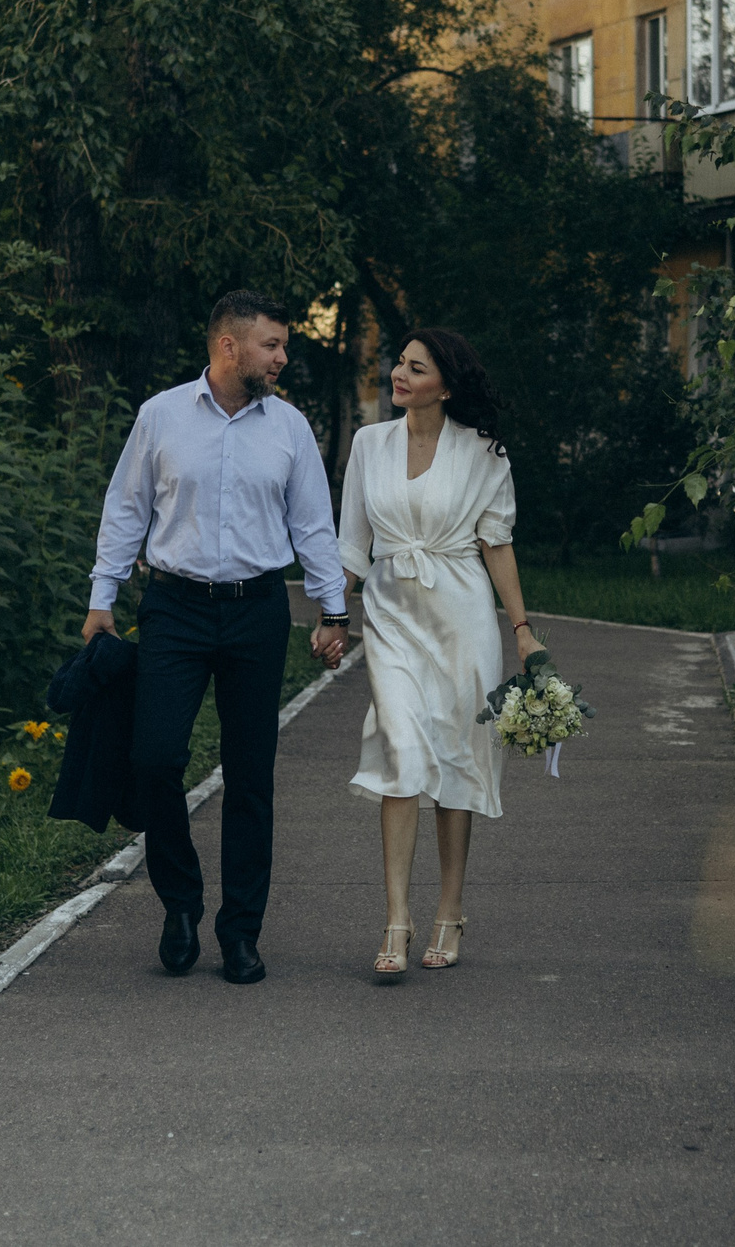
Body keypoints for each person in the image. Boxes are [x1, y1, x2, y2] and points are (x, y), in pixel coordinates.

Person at [83, 291, 350, 986]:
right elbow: (126, 508)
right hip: (174, 607)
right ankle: (180, 905)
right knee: (154, 759)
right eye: (272, 345)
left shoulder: (289, 427)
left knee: (251, 775)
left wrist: (333, 610)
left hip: (256, 610)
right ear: (229, 347)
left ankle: (240, 932)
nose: (283, 357)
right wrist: (101, 598)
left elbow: (314, 524)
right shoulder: (162, 416)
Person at [337, 328, 544, 975]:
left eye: (415, 366)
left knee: (457, 753)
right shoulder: (369, 444)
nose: (398, 372)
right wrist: (334, 613)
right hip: (392, 615)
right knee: (401, 746)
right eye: (399, 361)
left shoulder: (483, 452)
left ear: (445, 385)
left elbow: (497, 543)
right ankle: (396, 919)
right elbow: (351, 543)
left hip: (461, 615)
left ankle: (448, 911)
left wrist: (523, 629)